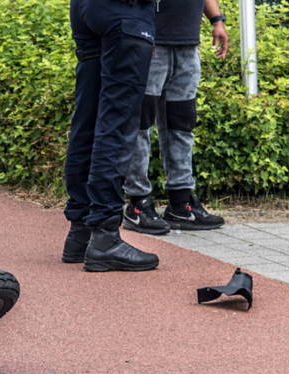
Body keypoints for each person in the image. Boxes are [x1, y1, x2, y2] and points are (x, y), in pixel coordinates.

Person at [62, 0, 161, 272]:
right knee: (117, 122)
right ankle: (105, 237)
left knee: (88, 121)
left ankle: (80, 233)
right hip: (125, 10)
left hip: (87, 8)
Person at [121, 0, 230, 233]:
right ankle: (137, 204)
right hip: (150, 44)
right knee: (140, 125)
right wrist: (138, 34)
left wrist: (217, 20)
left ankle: (180, 203)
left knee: (181, 124)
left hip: (187, 43)